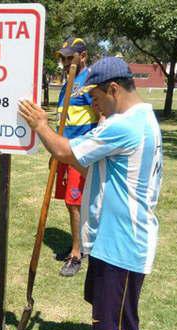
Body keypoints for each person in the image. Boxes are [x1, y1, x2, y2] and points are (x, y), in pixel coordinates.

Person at [18, 57, 163, 330]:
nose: (91, 102)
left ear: (113, 89)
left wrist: (41, 124)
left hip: (125, 241)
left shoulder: (126, 126)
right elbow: (92, 166)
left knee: (125, 320)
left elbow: (65, 149)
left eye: (95, 96)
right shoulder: (132, 118)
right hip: (107, 237)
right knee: (102, 306)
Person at [53, 37, 99, 277]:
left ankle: (76, 254)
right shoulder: (67, 82)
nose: (66, 61)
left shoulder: (90, 82)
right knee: (71, 203)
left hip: (80, 154)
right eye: (64, 57)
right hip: (65, 152)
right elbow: (64, 120)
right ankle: (79, 244)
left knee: (75, 203)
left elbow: (101, 116)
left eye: (71, 57)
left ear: (83, 56)